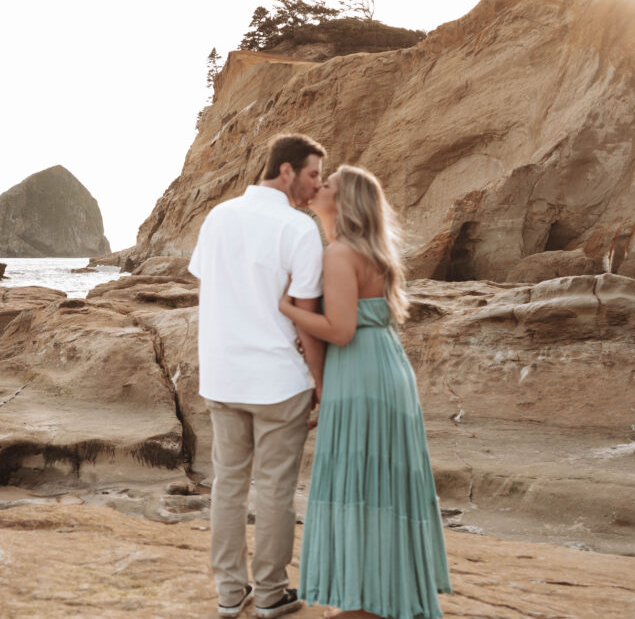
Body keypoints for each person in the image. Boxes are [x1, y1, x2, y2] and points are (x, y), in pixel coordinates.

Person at [279, 165, 451, 619]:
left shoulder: (339, 253)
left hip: (359, 371)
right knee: (386, 482)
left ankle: (362, 601)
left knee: (355, 477)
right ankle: (385, 593)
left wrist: (287, 309)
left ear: (344, 202)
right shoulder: (376, 251)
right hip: (388, 367)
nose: (318, 186)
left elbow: (339, 330)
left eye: (328, 184)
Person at [188, 133, 328, 619]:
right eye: (313, 174)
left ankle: (230, 593)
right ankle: (270, 593)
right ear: (286, 171)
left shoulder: (218, 216)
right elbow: (306, 316)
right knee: (273, 489)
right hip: (277, 381)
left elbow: (212, 290)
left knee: (228, 483)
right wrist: (321, 382)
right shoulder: (299, 228)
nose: (317, 185)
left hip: (223, 375)